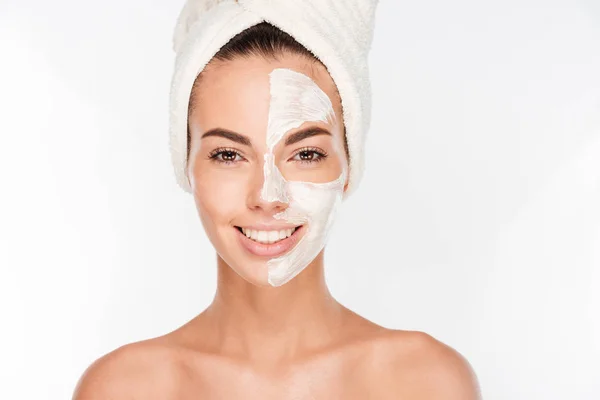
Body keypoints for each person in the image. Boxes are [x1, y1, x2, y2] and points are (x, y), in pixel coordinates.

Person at [73, 1, 481, 399]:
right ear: (187, 165)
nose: (267, 197)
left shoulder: (426, 382)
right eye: (228, 155)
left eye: (306, 154)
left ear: (348, 166)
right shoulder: (122, 389)